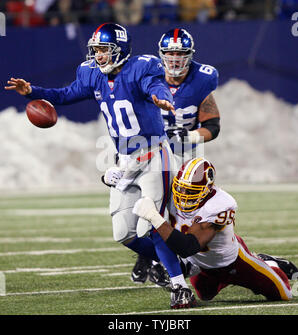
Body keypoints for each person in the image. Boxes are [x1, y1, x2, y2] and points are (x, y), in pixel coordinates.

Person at [5, 22, 190, 308]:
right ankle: (171, 258)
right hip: (125, 159)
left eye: (104, 50)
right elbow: (66, 95)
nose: (99, 56)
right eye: (97, 50)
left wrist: (162, 98)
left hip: (154, 154)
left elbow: (156, 86)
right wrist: (32, 91)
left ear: (120, 50)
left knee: (151, 224)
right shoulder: (91, 74)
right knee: (124, 233)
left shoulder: (142, 67)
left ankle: (180, 286)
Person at [133, 157, 298, 302]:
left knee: (284, 294)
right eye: (180, 188)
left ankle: (269, 262)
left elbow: (188, 247)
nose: (183, 194)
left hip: (234, 262)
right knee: (205, 296)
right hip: (202, 265)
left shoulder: (220, 204)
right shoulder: (171, 193)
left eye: (190, 191)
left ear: (207, 190)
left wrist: (154, 217)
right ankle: (193, 269)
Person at [130, 28, 220, 288]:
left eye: (180, 54)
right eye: (169, 53)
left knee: (180, 209)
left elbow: (213, 126)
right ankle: (147, 255)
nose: (175, 59)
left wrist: (189, 136)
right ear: (161, 55)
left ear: (190, 55)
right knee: (147, 204)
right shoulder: (148, 76)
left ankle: (165, 260)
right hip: (151, 150)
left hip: (184, 156)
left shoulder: (202, 80)